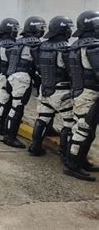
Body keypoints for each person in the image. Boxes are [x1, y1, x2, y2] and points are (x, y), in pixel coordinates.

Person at [28, 16, 75, 157]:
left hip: (45, 89)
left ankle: (35, 147)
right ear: (63, 30)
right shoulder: (65, 49)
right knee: (69, 123)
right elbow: (72, 71)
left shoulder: (40, 46)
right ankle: (65, 154)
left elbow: (37, 66)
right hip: (62, 90)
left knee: (43, 118)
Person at [63, 10, 99, 181]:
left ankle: (82, 161)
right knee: (83, 130)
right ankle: (72, 165)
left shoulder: (77, 45)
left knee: (88, 130)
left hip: (81, 92)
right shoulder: (92, 46)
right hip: (88, 93)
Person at [2, 16, 46, 148]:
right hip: (22, 79)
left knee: (13, 108)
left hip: (12, 77)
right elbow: (38, 64)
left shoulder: (18, 42)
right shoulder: (34, 43)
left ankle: (7, 135)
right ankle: (10, 137)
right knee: (17, 109)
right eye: (42, 28)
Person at [0, 18, 20, 135]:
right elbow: (11, 63)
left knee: (2, 101)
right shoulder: (8, 45)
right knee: (5, 102)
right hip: (5, 76)